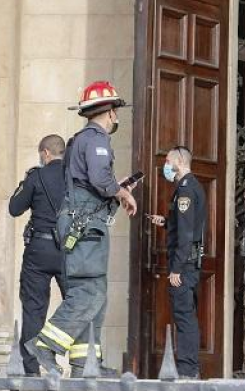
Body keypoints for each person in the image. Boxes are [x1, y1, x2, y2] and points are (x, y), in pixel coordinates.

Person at [25, 80, 138, 377]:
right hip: (87, 227)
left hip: (81, 223)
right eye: (116, 112)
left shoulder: (79, 140)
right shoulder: (97, 139)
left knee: (91, 294)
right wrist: (122, 192)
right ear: (110, 112)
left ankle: (84, 365)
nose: (116, 117)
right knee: (90, 291)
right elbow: (100, 180)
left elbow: (89, 185)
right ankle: (44, 345)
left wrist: (117, 190)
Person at [9, 135, 67, 376]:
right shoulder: (75, 177)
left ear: (45, 153)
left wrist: (25, 182)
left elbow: (14, 208)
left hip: (39, 251)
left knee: (33, 309)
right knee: (77, 304)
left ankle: (32, 371)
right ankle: (81, 366)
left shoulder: (36, 176)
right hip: (69, 252)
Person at [147, 146, 207, 380]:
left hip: (184, 265)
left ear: (179, 162)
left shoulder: (185, 190)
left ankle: (187, 370)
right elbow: (183, 224)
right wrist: (165, 221)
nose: (166, 165)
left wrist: (176, 269)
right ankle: (189, 368)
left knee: (184, 317)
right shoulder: (190, 187)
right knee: (186, 316)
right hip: (189, 263)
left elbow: (186, 234)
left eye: (168, 161)